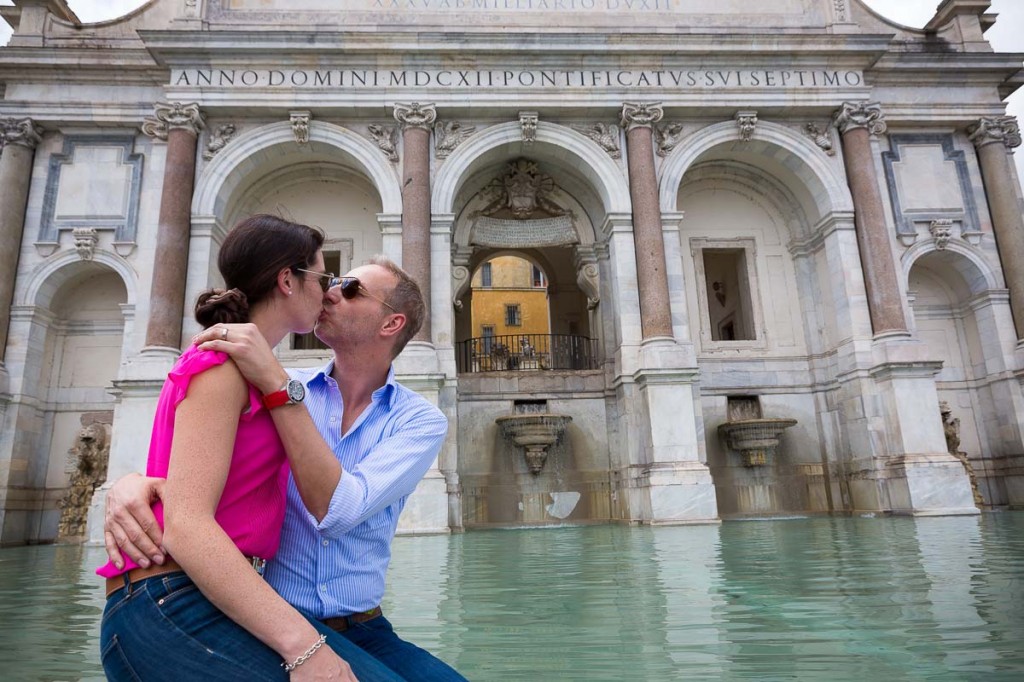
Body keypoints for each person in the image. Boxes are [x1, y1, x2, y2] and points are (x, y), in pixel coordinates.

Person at [104, 256, 468, 681]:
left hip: (366, 625)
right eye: (333, 281)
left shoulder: (417, 419)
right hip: (270, 616)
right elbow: (193, 447)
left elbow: (340, 511)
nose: (331, 291)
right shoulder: (267, 380)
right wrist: (132, 482)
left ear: (391, 324)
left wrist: (280, 389)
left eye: (351, 289)